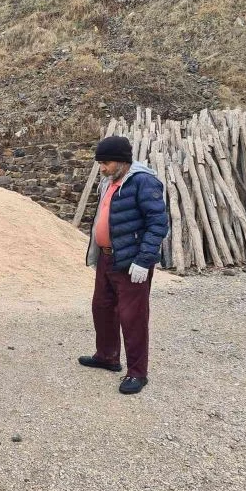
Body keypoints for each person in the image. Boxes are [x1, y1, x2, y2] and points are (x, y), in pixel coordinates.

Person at [79, 136, 169, 394]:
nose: (102, 168)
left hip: (131, 262)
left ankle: (137, 373)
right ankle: (107, 356)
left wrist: (143, 261)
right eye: (100, 163)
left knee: (133, 317)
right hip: (107, 258)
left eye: (105, 163)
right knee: (102, 307)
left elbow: (158, 223)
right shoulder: (110, 182)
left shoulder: (143, 182)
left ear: (121, 161)